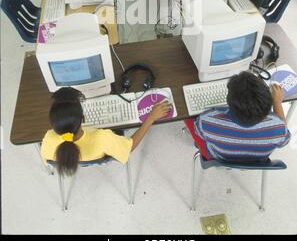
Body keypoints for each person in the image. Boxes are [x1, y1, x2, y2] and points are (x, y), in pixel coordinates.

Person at [41, 87, 172, 176]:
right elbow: (130, 146)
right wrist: (151, 118)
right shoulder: (103, 138)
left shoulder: (49, 139)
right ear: (83, 118)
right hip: (103, 150)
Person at [185, 71, 290, 162]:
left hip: (220, 157)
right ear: (267, 111)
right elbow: (285, 140)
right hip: (257, 160)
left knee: (187, 116)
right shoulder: (278, 129)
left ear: (227, 101)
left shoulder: (206, 120)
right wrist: (277, 103)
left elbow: (198, 131)